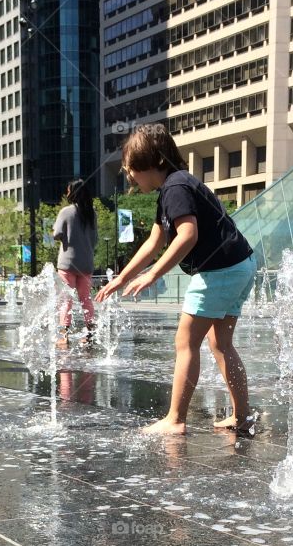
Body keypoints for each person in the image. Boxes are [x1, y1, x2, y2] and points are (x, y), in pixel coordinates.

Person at [95, 123, 257, 435]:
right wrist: (121, 277)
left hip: (219, 271)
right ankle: (243, 415)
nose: (129, 177)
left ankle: (175, 419)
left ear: (152, 162)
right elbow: (154, 242)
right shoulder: (171, 190)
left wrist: (154, 273)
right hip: (239, 263)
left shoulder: (176, 187)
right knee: (220, 342)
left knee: (185, 341)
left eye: (131, 170)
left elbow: (188, 235)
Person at [53, 178, 98, 340]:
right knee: (86, 299)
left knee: (66, 300)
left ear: (73, 193)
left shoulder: (66, 212)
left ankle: (64, 335)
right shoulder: (92, 213)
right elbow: (95, 239)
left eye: (68, 190)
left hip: (67, 263)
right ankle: (91, 332)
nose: (67, 193)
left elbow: (56, 234)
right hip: (86, 263)